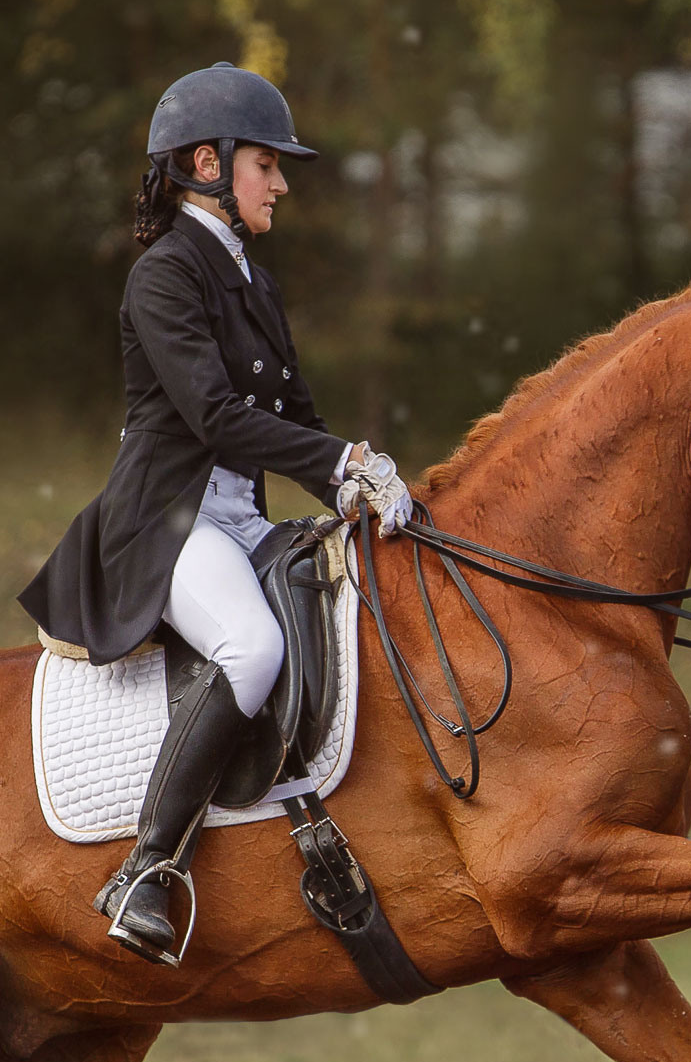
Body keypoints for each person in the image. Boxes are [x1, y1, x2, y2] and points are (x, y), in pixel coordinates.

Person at [20, 62, 415, 965]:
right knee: (254, 645)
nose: (281, 182)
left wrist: (357, 489)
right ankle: (148, 868)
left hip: (241, 518)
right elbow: (217, 416)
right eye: (268, 164)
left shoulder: (254, 282)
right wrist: (342, 460)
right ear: (209, 162)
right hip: (167, 523)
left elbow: (296, 420)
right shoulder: (164, 276)